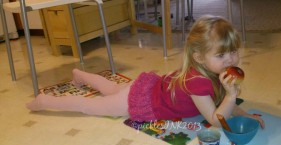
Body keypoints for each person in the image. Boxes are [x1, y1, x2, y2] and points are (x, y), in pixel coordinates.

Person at [27, 15, 265, 128]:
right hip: (142, 101)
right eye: (221, 55)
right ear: (199, 57)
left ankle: (81, 75)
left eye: (233, 51)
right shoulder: (198, 82)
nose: (231, 59)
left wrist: (243, 113)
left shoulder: (212, 71)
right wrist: (232, 97)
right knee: (90, 106)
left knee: (112, 88)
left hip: (147, 88)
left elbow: (224, 100)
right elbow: (215, 119)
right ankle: (44, 100)